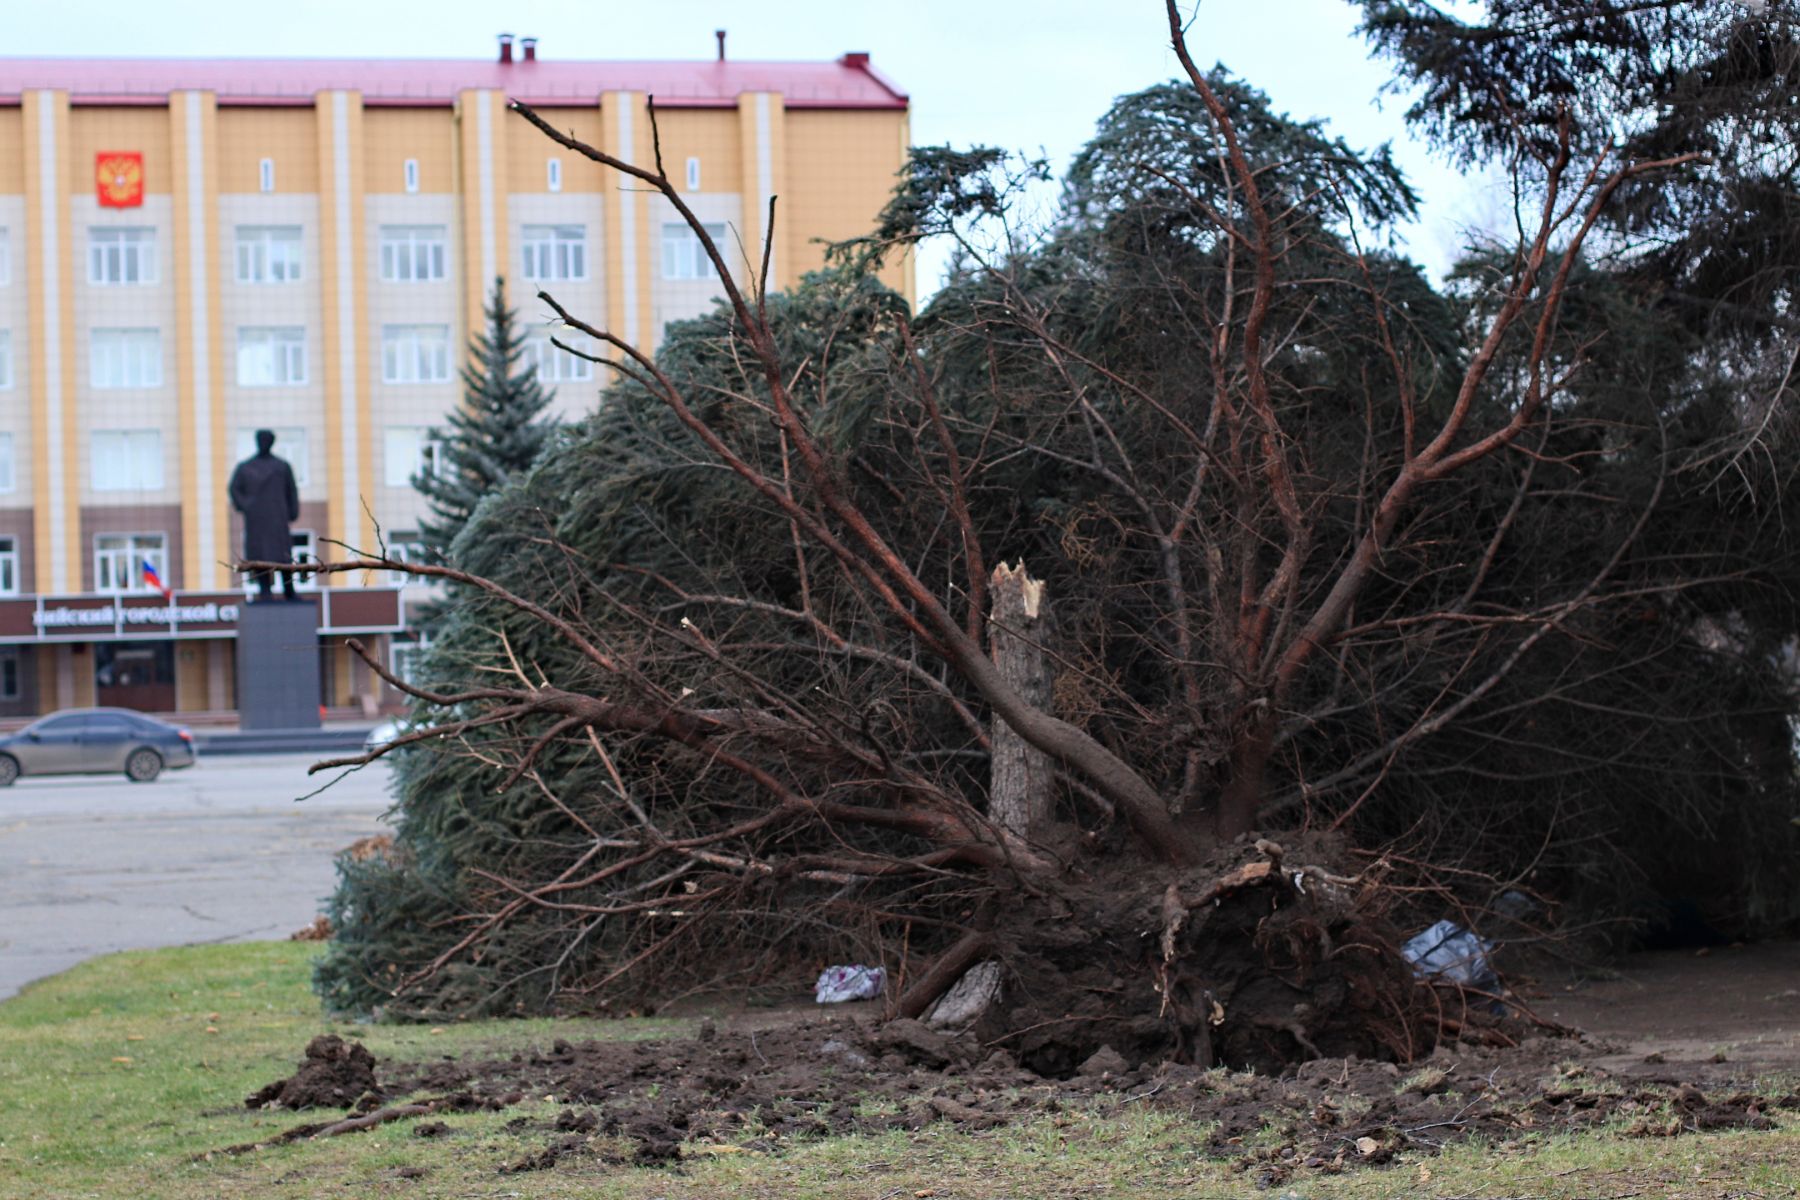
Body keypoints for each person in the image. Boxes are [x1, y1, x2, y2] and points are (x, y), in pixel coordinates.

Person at [228, 429, 300, 602]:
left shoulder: (281, 466)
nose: (264, 443)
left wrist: (292, 511)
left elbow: (292, 491)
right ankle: (264, 591)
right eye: (261, 440)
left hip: (278, 518)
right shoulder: (246, 467)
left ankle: (289, 590)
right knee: (259, 555)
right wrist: (246, 506)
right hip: (257, 521)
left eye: (267, 440)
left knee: (283, 556)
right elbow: (233, 489)